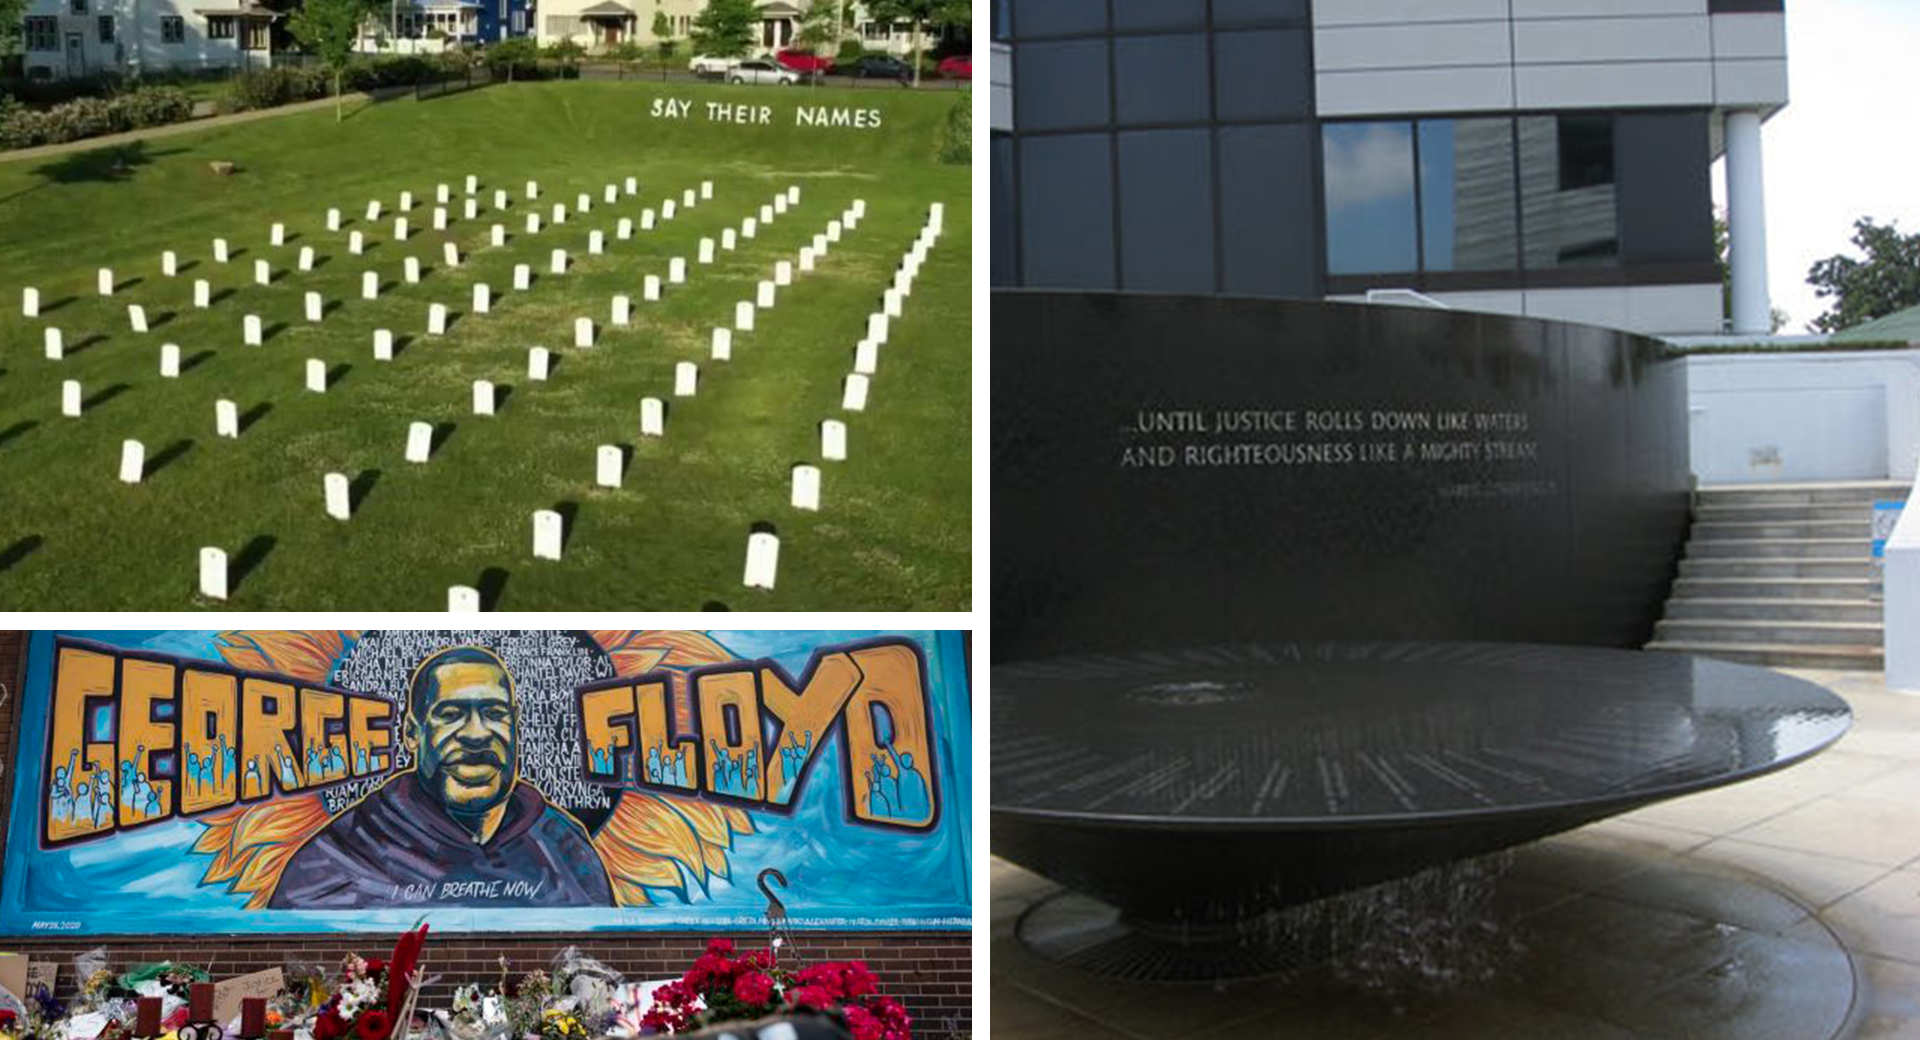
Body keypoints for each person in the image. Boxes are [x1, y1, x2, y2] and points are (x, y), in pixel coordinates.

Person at [268, 646, 613, 908]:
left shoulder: (563, 847)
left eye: (494, 713)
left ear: (515, 723)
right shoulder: (341, 855)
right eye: (450, 714)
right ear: (412, 734)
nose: (477, 734)